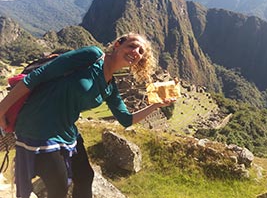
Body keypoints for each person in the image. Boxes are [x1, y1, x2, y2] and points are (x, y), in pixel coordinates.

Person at [0, 33, 175, 198]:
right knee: (59, 186)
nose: (135, 52)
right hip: (39, 127)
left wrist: (156, 105)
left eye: (141, 52)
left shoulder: (110, 87)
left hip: (67, 130)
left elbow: (126, 120)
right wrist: (1, 110)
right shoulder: (93, 56)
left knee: (85, 177)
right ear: (117, 45)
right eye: (132, 46)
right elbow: (37, 76)